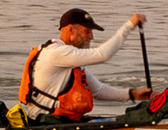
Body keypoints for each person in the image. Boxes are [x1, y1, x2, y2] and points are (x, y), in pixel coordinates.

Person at [20, 8, 151, 121]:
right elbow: (102, 55)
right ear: (71, 30)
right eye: (87, 31)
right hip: (46, 123)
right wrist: (129, 25)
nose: (91, 37)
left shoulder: (70, 60)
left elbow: (98, 91)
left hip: (59, 121)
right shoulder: (56, 53)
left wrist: (132, 94)